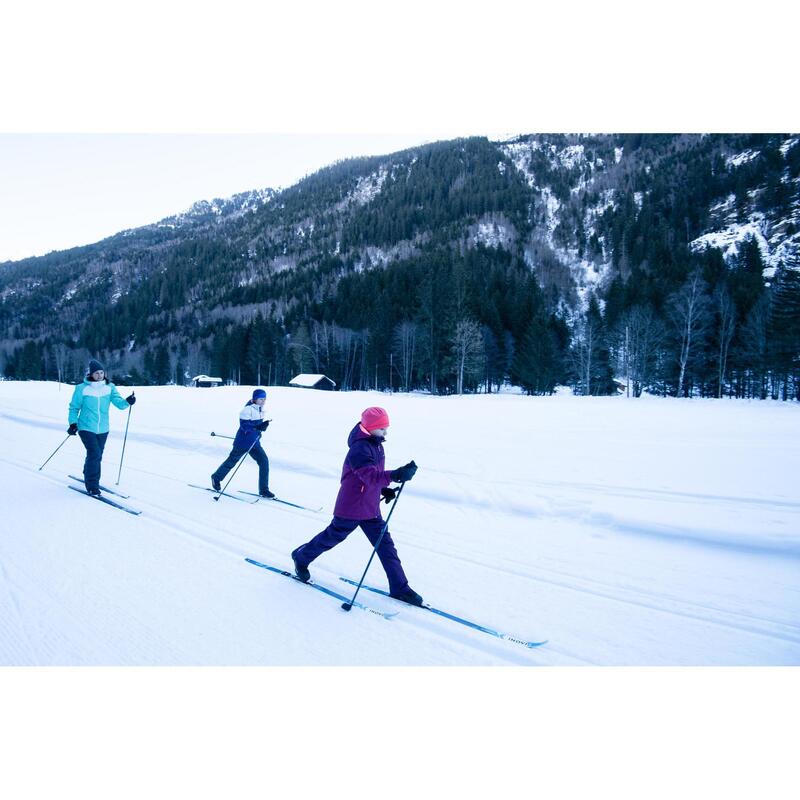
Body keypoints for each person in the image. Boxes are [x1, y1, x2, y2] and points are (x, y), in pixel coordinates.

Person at [291, 406, 422, 605]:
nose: (386, 432)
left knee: (386, 546)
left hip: (370, 507)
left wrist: (382, 489)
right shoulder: (359, 448)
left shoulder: (376, 444)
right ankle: (301, 557)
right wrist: (395, 475)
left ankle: (400, 588)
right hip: (351, 507)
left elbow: (372, 475)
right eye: (382, 428)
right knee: (331, 538)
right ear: (370, 428)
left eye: (386, 428)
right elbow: (369, 475)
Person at [67, 359, 136, 496]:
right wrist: (73, 423)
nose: (99, 375)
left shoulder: (109, 387)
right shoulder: (82, 388)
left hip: (103, 428)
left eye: (101, 372)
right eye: (96, 373)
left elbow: (119, 404)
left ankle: (88, 472)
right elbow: (74, 408)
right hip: (86, 427)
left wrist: (128, 401)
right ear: (91, 374)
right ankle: (92, 485)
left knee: (96, 455)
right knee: (95, 454)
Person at [211, 388, 273, 497]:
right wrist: (258, 427)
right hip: (242, 443)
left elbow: (258, 427)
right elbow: (245, 427)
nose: (263, 401)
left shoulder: (260, 410)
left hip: (254, 443)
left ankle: (264, 490)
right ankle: (216, 478)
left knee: (264, 461)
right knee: (231, 462)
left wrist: (263, 426)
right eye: (261, 399)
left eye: (265, 399)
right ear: (255, 399)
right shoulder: (247, 410)